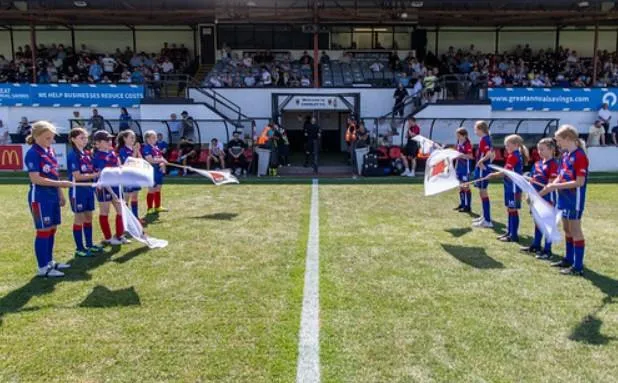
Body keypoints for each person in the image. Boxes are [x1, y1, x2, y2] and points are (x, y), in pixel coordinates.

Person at [25, 121, 74, 277]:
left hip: (52, 196)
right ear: (36, 136)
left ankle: (50, 262)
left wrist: (60, 193)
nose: (50, 141)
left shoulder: (50, 151)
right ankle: (42, 267)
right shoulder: (33, 153)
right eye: (47, 138)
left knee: (52, 229)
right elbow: (35, 179)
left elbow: (54, 174)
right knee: (43, 230)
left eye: (52, 138)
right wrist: (60, 184)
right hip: (39, 197)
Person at [540, 125, 589, 276]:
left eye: (559, 140)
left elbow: (579, 182)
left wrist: (555, 186)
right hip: (563, 197)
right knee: (567, 229)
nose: (557, 144)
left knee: (575, 230)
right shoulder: (565, 155)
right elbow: (561, 176)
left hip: (574, 199)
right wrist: (551, 185)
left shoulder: (580, 156)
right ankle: (568, 259)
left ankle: (578, 267)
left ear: (568, 139)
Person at [67, 127, 104, 257]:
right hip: (78, 191)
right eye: (81, 138)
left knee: (89, 217)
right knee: (79, 218)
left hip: (88, 190)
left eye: (86, 138)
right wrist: (94, 175)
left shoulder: (86, 154)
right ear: (73, 139)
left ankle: (89, 244)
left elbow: (93, 170)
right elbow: (77, 176)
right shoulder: (73, 155)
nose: (84, 140)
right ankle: (79, 248)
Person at [520, 138, 559, 259]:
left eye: (542, 149)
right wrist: (528, 195)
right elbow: (531, 181)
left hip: (547, 199)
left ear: (551, 149)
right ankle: (536, 245)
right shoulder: (537, 164)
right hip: (535, 198)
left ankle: (547, 250)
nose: (539, 151)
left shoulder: (554, 165)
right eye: (538, 149)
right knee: (537, 221)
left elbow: (550, 185)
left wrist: (537, 196)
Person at [488, 135, 529, 242]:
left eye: (508, 145)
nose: (506, 147)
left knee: (513, 209)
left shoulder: (514, 156)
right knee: (510, 209)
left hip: (514, 187)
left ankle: (513, 235)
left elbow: (506, 172)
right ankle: (510, 232)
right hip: (509, 186)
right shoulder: (513, 155)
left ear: (516, 145)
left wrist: (493, 175)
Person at [92, 130, 127, 245]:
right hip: (104, 188)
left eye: (110, 139)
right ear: (98, 143)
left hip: (116, 186)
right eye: (107, 140)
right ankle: (108, 238)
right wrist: (113, 194)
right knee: (104, 212)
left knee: (121, 211)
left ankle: (119, 235)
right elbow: (103, 177)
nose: (110, 141)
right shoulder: (98, 157)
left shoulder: (112, 154)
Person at [472, 121, 495, 228]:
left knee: (483, 192)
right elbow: (493, 154)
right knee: (482, 193)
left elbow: (489, 154)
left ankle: (487, 220)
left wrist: (481, 161)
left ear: (480, 129)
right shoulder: (487, 139)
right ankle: (485, 216)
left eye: (475, 129)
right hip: (484, 169)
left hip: (483, 170)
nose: (475, 131)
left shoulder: (485, 139)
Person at [117, 130, 142, 221]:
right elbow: (128, 162)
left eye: (134, 137)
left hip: (135, 176)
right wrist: (135, 151)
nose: (133, 139)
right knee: (126, 198)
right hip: (127, 177)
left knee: (135, 197)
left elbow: (140, 160)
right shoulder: (122, 150)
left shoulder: (133, 148)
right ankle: (126, 218)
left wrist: (137, 151)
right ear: (124, 139)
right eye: (131, 137)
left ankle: (135, 217)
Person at [142, 130, 168, 214]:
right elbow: (150, 160)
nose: (155, 139)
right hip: (151, 171)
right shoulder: (146, 148)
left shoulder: (156, 147)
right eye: (153, 137)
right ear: (147, 139)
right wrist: (161, 161)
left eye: (155, 137)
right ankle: (150, 208)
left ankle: (157, 206)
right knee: (151, 189)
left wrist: (164, 162)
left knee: (158, 188)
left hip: (158, 171)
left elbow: (161, 157)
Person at [454, 127, 474, 212]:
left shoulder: (467, 144)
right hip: (459, 167)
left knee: (466, 187)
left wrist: (461, 155)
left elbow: (470, 156)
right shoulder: (459, 142)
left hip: (466, 168)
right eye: (457, 136)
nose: (458, 137)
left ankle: (467, 206)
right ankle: (462, 204)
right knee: (461, 186)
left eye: (459, 136)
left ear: (464, 135)